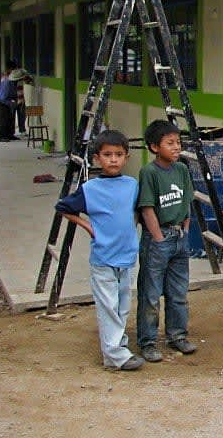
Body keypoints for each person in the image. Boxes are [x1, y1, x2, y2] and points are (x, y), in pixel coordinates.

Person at [55, 130, 143, 371]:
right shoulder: (90, 189)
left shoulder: (131, 185)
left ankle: (118, 344)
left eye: (118, 154)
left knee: (122, 305)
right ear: (97, 158)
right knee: (107, 306)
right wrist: (86, 225)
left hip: (127, 256)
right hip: (103, 258)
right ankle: (115, 356)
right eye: (107, 155)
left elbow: (136, 212)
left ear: (127, 157)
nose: (113, 159)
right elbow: (63, 206)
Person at [136, 120, 197, 363]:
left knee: (178, 292)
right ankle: (148, 341)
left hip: (179, 238)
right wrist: (159, 238)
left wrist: (185, 227)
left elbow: (187, 201)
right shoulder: (149, 173)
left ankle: (177, 335)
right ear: (153, 147)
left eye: (178, 143)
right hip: (157, 239)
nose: (175, 147)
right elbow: (147, 208)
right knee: (150, 294)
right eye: (169, 143)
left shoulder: (182, 170)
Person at [0, 60, 17, 142]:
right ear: (11, 69)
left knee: (10, 118)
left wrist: (14, 101)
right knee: (3, 118)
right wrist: (11, 103)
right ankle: (2, 137)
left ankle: (9, 135)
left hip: (7, 99)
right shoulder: (7, 81)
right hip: (0, 100)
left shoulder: (12, 79)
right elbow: (2, 98)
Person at [9, 63, 33, 136]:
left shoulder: (19, 77)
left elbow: (29, 80)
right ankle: (11, 132)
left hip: (20, 99)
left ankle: (22, 130)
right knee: (12, 117)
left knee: (22, 115)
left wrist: (25, 76)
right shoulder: (11, 80)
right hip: (13, 100)